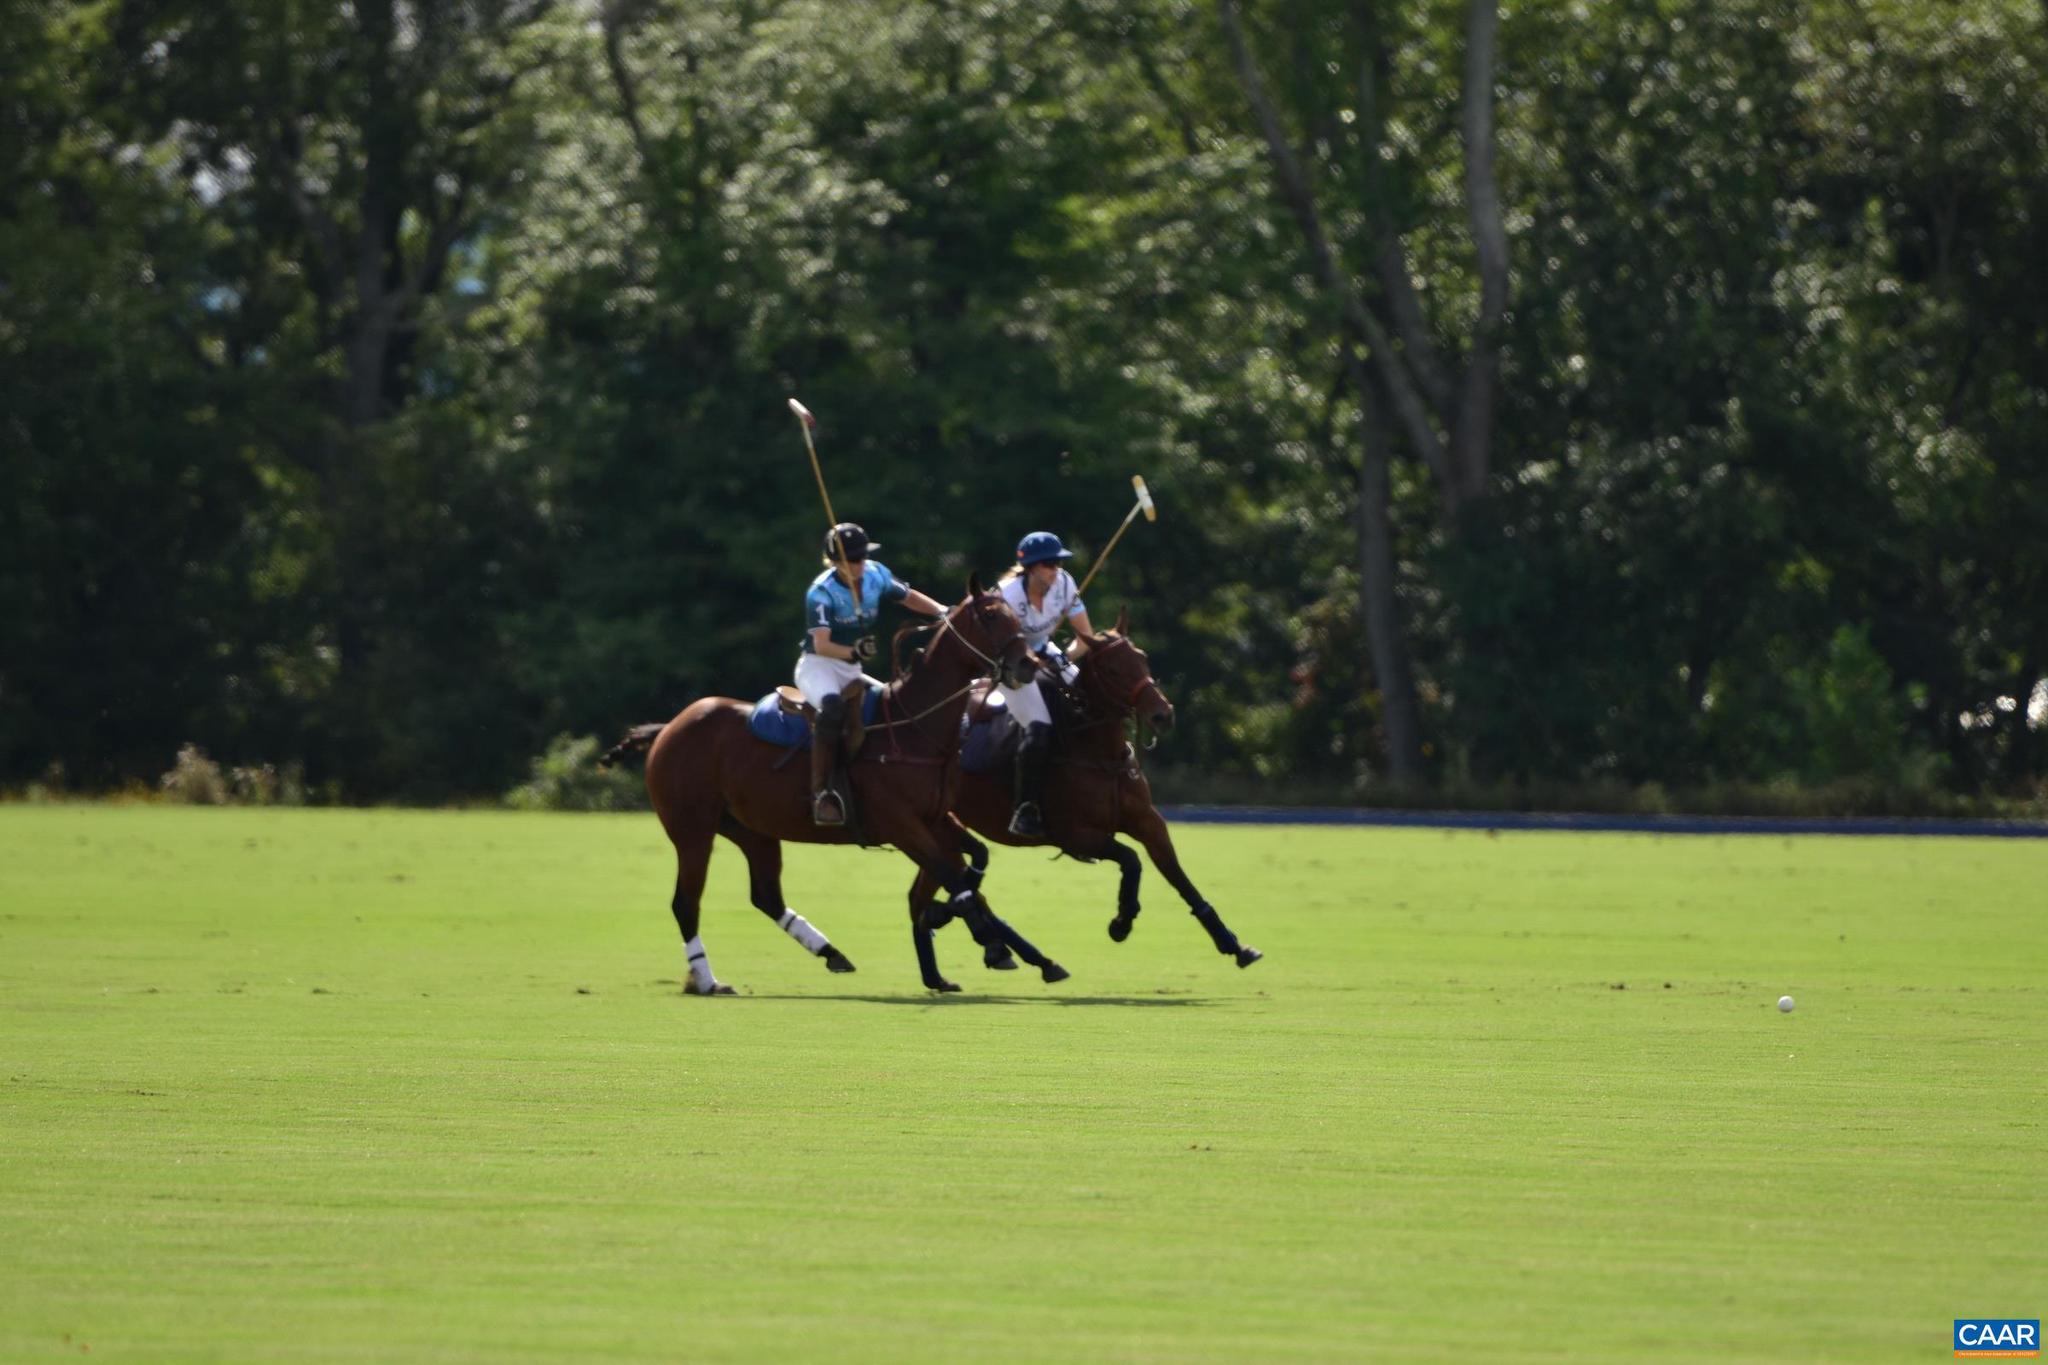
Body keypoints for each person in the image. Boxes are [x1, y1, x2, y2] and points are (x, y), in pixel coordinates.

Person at [798, 522, 947, 826]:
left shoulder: (876, 574)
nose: (861, 563)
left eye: (863, 556)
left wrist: (942, 611)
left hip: (852, 670)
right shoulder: (822, 592)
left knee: (892, 706)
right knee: (832, 709)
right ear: (835, 561)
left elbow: (907, 596)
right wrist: (853, 652)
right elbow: (821, 644)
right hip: (819, 666)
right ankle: (822, 793)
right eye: (853, 559)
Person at [996, 531, 1096, 837]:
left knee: (1090, 698)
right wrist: (1035, 662)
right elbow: (1005, 645)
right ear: (1032, 568)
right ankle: (1025, 808)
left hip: (1050, 653)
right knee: (1039, 727)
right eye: (1049, 564)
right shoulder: (1007, 596)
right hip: (1011, 665)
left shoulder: (1064, 584)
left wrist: (1063, 658)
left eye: (1057, 563)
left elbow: (1086, 638)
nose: (1056, 569)